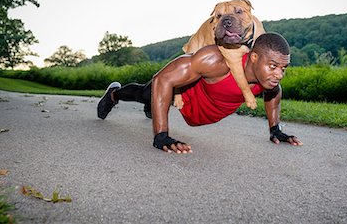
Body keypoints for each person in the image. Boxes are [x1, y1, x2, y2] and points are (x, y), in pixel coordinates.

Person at [97, 32, 303, 154]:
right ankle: (114, 94)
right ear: (255, 58)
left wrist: (275, 129)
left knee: (152, 101)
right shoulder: (217, 60)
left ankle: (151, 107)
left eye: (283, 68)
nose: (279, 74)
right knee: (147, 93)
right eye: (273, 66)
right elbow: (163, 79)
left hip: (198, 113)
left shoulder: (268, 81)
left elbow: (274, 94)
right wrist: (161, 135)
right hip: (183, 91)